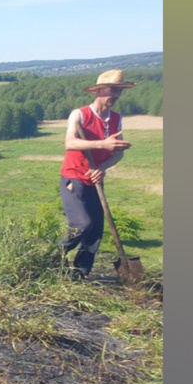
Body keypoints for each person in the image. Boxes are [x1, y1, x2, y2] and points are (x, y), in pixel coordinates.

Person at [59, 69, 135, 278]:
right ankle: (53, 256)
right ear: (99, 90)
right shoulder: (80, 114)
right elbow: (70, 143)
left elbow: (117, 153)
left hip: (95, 180)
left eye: (120, 91)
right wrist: (102, 143)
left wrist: (102, 168)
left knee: (95, 233)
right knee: (82, 224)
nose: (116, 95)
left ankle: (79, 274)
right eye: (113, 90)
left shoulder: (116, 119)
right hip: (73, 178)